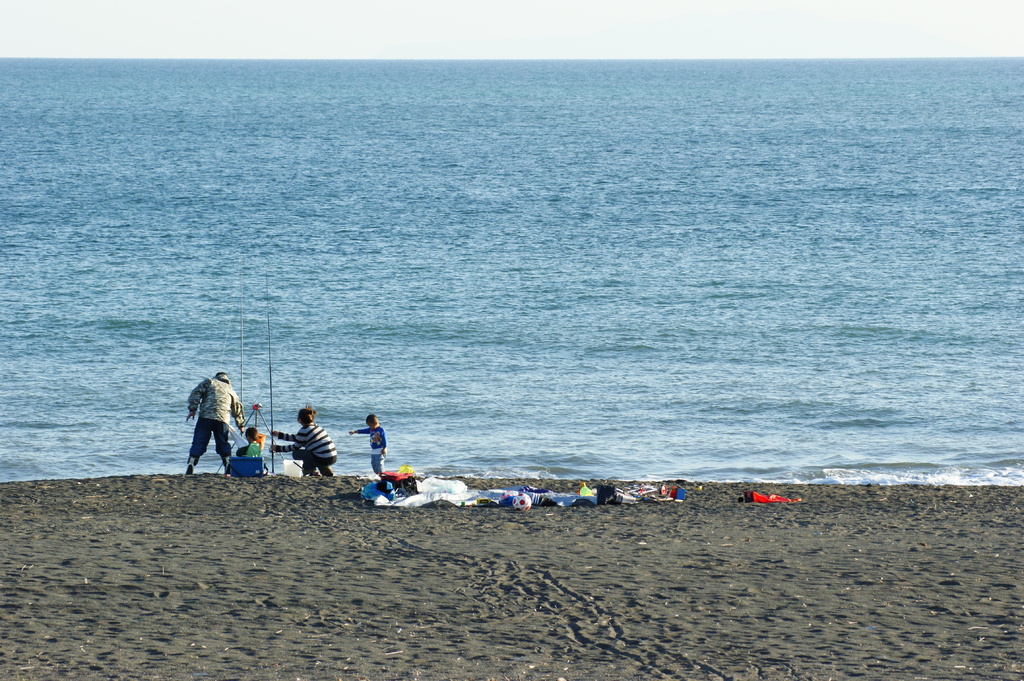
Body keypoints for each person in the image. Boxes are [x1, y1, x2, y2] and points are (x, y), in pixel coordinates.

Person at [186, 372, 245, 475]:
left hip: (206, 417)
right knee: (222, 442)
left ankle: (192, 461)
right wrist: (240, 425)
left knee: (199, 441)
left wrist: (192, 409)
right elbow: (237, 408)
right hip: (222, 419)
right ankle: (227, 462)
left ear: (216, 377)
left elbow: (196, 393)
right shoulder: (231, 390)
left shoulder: (210, 382)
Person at [272, 406, 337, 476]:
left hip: (324, 458)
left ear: (299, 420)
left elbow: (295, 447)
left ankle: (312, 472)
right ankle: (325, 470)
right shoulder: (317, 427)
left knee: (297, 453)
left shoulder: (304, 430)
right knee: (315, 453)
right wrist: (280, 435)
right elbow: (299, 438)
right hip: (332, 457)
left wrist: (278, 448)